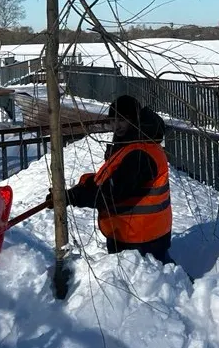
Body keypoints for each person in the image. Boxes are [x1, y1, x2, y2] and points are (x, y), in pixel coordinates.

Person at [52, 94, 174, 264]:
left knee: (151, 284)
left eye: (122, 120)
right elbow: (106, 179)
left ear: (135, 119)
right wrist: (74, 191)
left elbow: (112, 191)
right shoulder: (131, 144)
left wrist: (72, 197)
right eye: (113, 120)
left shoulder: (140, 152)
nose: (116, 126)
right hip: (137, 232)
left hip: (140, 238)